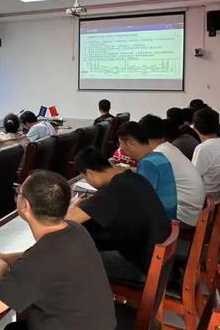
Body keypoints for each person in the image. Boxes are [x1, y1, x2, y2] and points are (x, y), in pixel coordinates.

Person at [0, 171, 115, 330]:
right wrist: (5, 257)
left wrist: (0, 266)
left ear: (25, 205)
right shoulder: (75, 230)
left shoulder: (39, 261)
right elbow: (40, 259)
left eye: (20, 191)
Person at [66, 147, 171, 282]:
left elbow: (67, 221)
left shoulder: (114, 190)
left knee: (68, 259)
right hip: (156, 259)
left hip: (139, 266)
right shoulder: (134, 178)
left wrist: (72, 206)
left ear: (90, 173)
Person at [139, 115, 205, 227]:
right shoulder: (169, 148)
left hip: (181, 217)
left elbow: (144, 191)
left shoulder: (158, 155)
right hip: (192, 212)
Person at [117, 121, 177, 220]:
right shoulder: (159, 157)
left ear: (130, 142)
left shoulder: (148, 164)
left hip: (160, 221)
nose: (121, 148)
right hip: (166, 216)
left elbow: (140, 201)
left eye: (120, 143)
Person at [191, 108, 220, 201]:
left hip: (206, 200)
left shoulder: (203, 148)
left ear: (195, 128)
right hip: (218, 196)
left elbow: (192, 178)